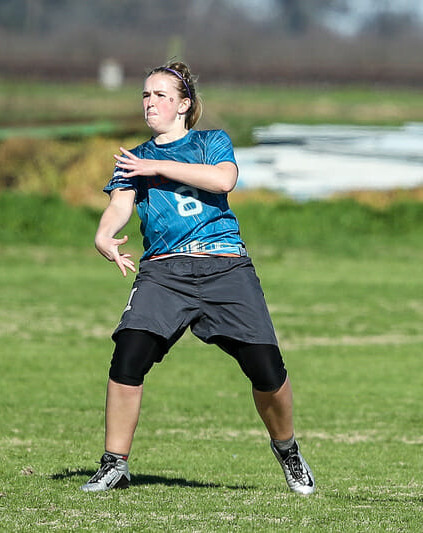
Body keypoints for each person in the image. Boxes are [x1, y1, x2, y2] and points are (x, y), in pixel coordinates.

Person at [80, 61, 315, 495]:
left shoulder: (211, 141)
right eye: (146, 96)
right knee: (128, 355)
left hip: (225, 266)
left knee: (267, 369)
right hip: (164, 272)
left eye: (161, 96)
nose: (150, 103)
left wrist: (160, 169)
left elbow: (223, 180)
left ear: (184, 105)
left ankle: (287, 449)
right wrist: (104, 235)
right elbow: (119, 204)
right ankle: (115, 464)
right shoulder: (136, 157)